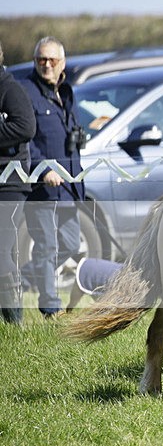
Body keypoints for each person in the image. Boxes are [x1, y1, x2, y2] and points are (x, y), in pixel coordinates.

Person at [19, 37, 85, 320]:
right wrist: (43, 169)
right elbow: (24, 138)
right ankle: (50, 308)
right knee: (46, 246)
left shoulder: (66, 92)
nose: (46, 65)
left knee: (70, 244)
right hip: (42, 186)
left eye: (52, 60)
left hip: (69, 184)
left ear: (63, 63)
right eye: (41, 60)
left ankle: (25, 276)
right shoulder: (26, 92)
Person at [0, 40, 37, 324]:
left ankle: (16, 323)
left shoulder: (10, 88)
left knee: (2, 251)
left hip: (10, 184)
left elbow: (25, 126)